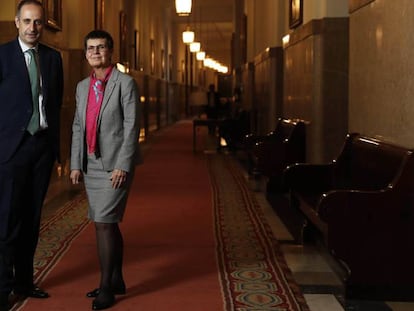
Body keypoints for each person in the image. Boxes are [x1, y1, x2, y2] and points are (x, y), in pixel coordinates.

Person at [70, 30, 142, 310]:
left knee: (102, 222)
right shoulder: (82, 87)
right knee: (108, 223)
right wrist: (76, 163)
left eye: (101, 48)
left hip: (115, 165)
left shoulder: (126, 83)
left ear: (111, 52)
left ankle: (105, 287)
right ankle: (117, 278)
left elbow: (131, 126)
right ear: (86, 53)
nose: (95, 53)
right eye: (90, 48)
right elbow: (78, 125)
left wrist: (123, 165)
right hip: (91, 164)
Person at [0, 1, 63, 310]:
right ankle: (2, 287)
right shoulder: (0, 56)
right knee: (7, 221)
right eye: (27, 21)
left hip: (42, 148)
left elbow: (57, 105)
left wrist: (56, 150)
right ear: (16, 22)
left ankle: (25, 281)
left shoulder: (53, 59)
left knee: (32, 219)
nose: (33, 27)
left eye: (38, 22)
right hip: (11, 150)